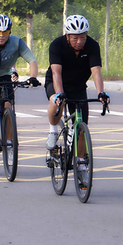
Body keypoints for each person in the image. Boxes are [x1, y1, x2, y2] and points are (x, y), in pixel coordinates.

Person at [45, 15, 110, 151]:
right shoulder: (57, 45)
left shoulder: (92, 46)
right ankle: (53, 131)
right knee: (56, 102)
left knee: (82, 129)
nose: (79, 42)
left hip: (78, 86)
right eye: (75, 38)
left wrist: (101, 93)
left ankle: (81, 162)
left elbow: (96, 72)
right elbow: (56, 73)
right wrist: (59, 93)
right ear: (67, 36)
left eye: (83, 37)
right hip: (57, 82)